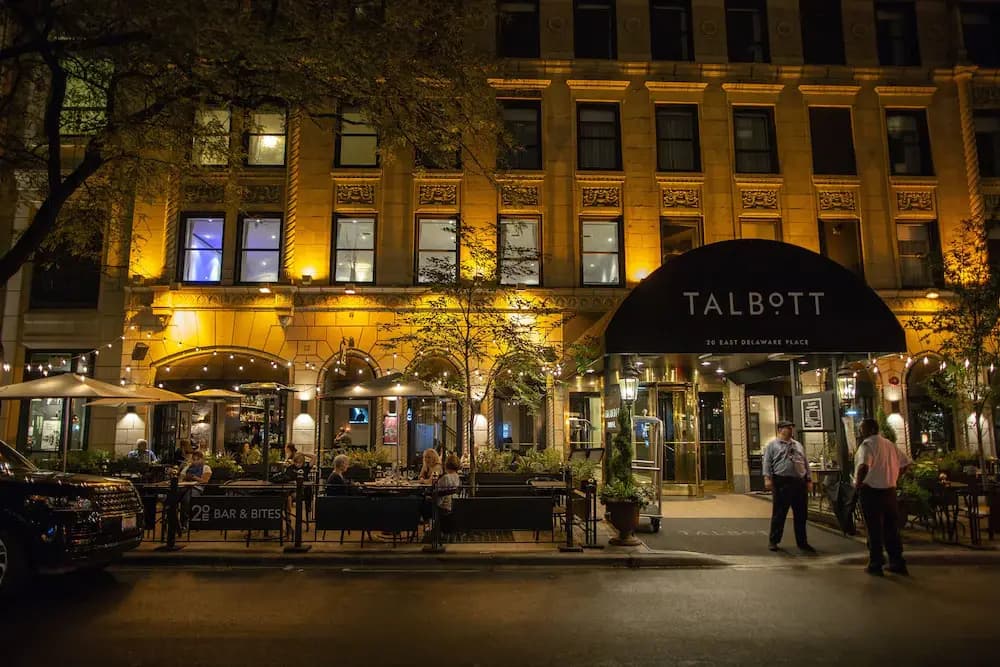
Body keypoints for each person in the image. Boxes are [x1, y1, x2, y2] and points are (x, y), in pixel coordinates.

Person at [855, 418, 911, 576]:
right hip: (890, 491)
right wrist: (894, 477)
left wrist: (858, 484)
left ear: (870, 429)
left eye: (862, 428)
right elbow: (906, 463)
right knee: (891, 528)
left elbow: (863, 466)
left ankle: (876, 563)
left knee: (874, 529)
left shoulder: (867, 445)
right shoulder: (889, 444)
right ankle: (897, 561)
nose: (860, 431)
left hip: (871, 491)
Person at [762, 420, 815, 553]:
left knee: (801, 514)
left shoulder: (797, 445)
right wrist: (767, 478)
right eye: (787, 428)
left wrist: (809, 479)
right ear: (780, 430)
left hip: (799, 482)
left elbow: (805, 462)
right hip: (782, 482)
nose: (790, 430)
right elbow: (767, 462)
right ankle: (774, 541)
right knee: (779, 513)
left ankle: (802, 542)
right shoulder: (772, 445)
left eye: (791, 428)